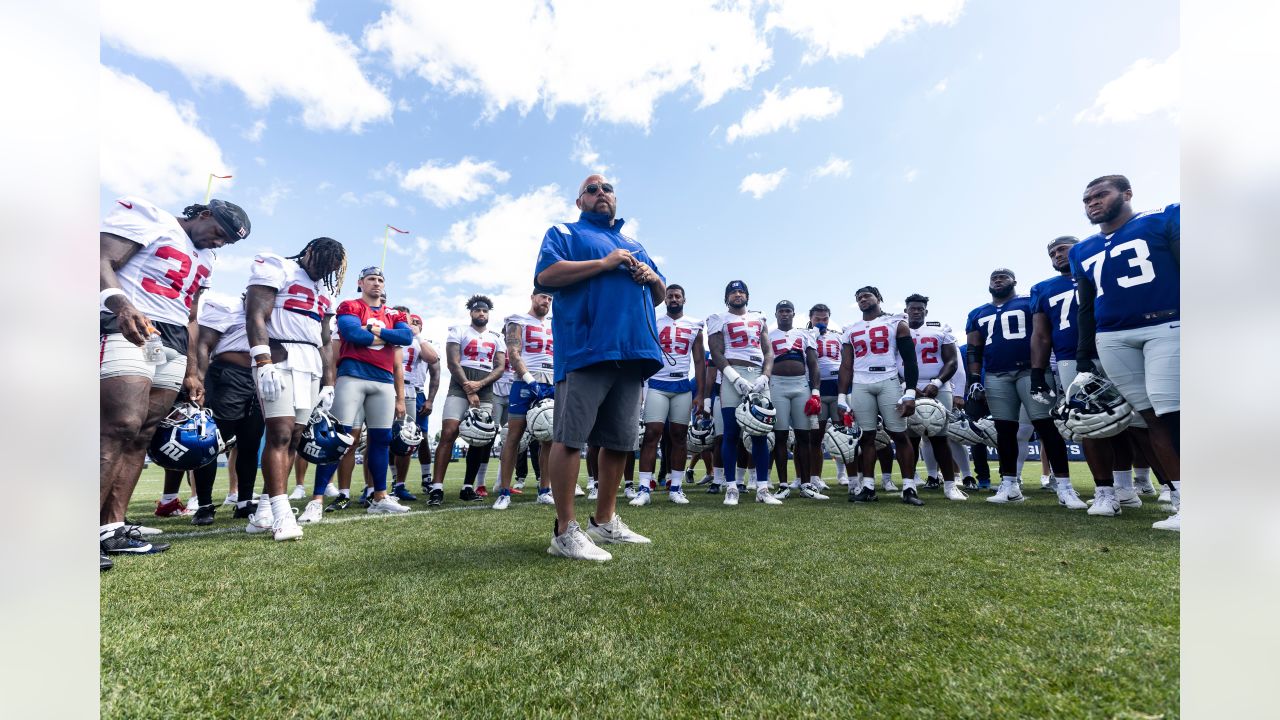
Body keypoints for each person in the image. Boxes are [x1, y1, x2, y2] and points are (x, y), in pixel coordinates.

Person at [99, 196, 250, 566]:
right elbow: (100, 259)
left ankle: (111, 527)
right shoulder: (153, 219)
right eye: (219, 232)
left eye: (228, 241)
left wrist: (193, 370)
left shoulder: (207, 259)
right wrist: (121, 305)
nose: (219, 242)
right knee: (120, 424)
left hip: (171, 339)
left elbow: (192, 316)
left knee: (144, 433)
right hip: (132, 325)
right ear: (202, 214)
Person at [534, 174, 665, 561]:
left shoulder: (635, 244)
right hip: (587, 347)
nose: (600, 194)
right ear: (580, 202)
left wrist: (653, 277)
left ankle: (604, 520)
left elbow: (657, 295)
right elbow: (546, 276)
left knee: (621, 441)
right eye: (591, 190)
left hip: (634, 351)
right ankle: (564, 531)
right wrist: (605, 263)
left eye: (606, 189)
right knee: (572, 438)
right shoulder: (564, 232)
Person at [1069, 175, 1180, 531]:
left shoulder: (1163, 217)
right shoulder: (1082, 250)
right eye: (1087, 200)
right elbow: (1086, 307)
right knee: (1150, 419)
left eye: (1100, 195)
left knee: (1172, 411)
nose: (1093, 203)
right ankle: (1182, 499)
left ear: (1127, 194)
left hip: (1167, 324)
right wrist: (1085, 352)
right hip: (1112, 336)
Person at [244, 238, 346, 540]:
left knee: (295, 438)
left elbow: (326, 340)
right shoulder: (279, 266)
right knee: (280, 433)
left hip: (311, 361)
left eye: (331, 268)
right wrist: (262, 359)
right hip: (279, 356)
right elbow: (256, 314)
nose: (324, 271)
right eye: (322, 263)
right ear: (309, 252)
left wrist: (330, 383)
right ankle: (282, 514)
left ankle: (264, 510)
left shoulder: (324, 290)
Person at [299, 266, 413, 523]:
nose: (376, 283)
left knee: (381, 438)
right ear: (360, 282)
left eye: (380, 279)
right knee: (336, 438)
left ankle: (380, 497)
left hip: (383, 380)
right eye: (371, 279)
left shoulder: (393, 313)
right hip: (353, 375)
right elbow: (351, 333)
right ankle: (316, 499)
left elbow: (405, 337)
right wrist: (383, 335)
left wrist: (374, 331)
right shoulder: (350, 305)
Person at [965, 268, 1079, 508]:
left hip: (1030, 370)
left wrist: (1042, 369)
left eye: (1003, 277)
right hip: (996, 374)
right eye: (994, 277)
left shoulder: (1029, 302)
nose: (998, 280)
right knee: (1005, 431)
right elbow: (975, 348)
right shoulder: (977, 313)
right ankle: (1009, 484)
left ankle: (1065, 487)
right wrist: (975, 378)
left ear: (1014, 281)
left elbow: (1044, 333)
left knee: (1047, 428)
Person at [838, 286, 924, 506]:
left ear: (879, 298)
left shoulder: (896, 322)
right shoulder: (850, 329)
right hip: (860, 382)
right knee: (866, 437)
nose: (863, 299)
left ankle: (909, 487)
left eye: (867, 295)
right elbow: (846, 366)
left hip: (888, 380)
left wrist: (910, 393)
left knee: (899, 435)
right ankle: (867, 487)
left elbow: (910, 360)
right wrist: (841, 396)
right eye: (858, 297)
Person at [188, 293, 266, 525]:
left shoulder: (272, 314)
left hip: (259, 378)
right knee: (210, 443)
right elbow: (204, 343)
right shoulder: (228, 307)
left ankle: (243, 502)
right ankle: (204, 505)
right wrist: (199, 380)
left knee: (250, 445)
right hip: (226, 377)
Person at [428, 296, 507, 506]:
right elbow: (453, 363)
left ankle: (467, 487)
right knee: (448, 433)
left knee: (480, 437)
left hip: (485, 389)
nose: (482, 314)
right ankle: (436, 488)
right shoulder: (458, 331)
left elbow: (500, 367)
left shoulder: (497, 337)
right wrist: (468, 387)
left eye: (485, 311)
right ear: (471, 312)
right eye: (478, 310)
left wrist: (479, 386)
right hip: (459, 386)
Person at [707, 280, 778, 506]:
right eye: (733, 292)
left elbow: (768, 352)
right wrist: (733, 377)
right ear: (726, 297)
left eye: (741, 291)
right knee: (730, 433)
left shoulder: (760, 318)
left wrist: (765, 376)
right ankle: (731, 488)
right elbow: (716, 352)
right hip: (732, 375)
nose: (738, 295)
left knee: (761, 433)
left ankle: (763, 488)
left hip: (757, 375)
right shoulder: (719, 318)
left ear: (747, 295)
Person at [635, 284, 704, 506]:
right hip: (657, 382)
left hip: (682, 384)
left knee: (679, 436)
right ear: (664, 299)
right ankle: (644, 487)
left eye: (677, 296)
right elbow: (644, 354)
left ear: (684, 299)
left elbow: (700, 361)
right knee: (652, 434)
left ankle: (676, 486)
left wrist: (701, 393)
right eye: (670, 296)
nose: (673, 299)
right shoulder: (654, 322)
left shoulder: (695, 324)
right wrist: (642, 387)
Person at [494, 291, 556, 510]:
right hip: (524, 380)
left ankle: (544, 489)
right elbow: (513, 352)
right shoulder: (518, 320)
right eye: (542, 297)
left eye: (549, 298)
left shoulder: (555, 323)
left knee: (548, 437)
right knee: (514, 435)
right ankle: (504, 491)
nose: (546, 301)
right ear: (532, 297)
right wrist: (530, 381)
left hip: (551, 381)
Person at [903, 294, 966, 501]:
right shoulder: (898, 331)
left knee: (940, 437)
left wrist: (937, 383)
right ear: (906, 310)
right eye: (912, 308)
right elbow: (892, 361)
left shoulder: (940, 330)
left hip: (939, 386)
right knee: (909, 439)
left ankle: (949, 484)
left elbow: (952, 362)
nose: (916, 311)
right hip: (907, 388)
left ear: (926, 311)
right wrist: (908, 385)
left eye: (920, 308)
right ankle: (909, 484)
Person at [767, 300, 823, 501]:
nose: (784, 314)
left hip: (801, 385)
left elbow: (813, 364)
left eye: (788, 311)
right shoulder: (768, 335)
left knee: (804, 436)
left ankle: (806, 484)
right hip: (777, 385)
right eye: (781, 311)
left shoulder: (805, 334)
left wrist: (815, 391)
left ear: (793, 314)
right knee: (780, 437)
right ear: (776, 314)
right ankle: (782, 484)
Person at [392, 312, 440, 499]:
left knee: (421, 439)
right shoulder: (393, 337)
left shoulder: (427, 343)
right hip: (393, 389)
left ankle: (426, 478)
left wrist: (430, 399)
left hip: (416, 392)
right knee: (392, 438)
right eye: (408, 322)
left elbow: (436, 373)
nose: (412, 324)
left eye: (416, 322)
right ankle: (394, 481)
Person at [805, 304, 845, 488]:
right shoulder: (804, 336)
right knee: (816, 437)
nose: (821, 322)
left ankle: (842, 474)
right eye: (817, 319)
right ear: (811, 318)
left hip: (837, 389)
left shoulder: (838, 336)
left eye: (825, 319)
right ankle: (815, 478)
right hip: (816, 390)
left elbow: (846, 360)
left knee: (842, 435)